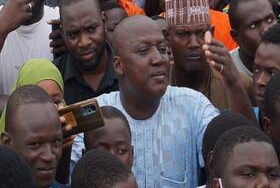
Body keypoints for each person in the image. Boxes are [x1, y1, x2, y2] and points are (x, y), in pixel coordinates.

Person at [69, 16, 219, 188]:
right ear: (118, 65)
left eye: (162, 49)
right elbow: (67, 178)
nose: (158, 59)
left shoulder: (194, 106)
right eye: (143, 51)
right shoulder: (92, 114)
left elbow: (226, 163)